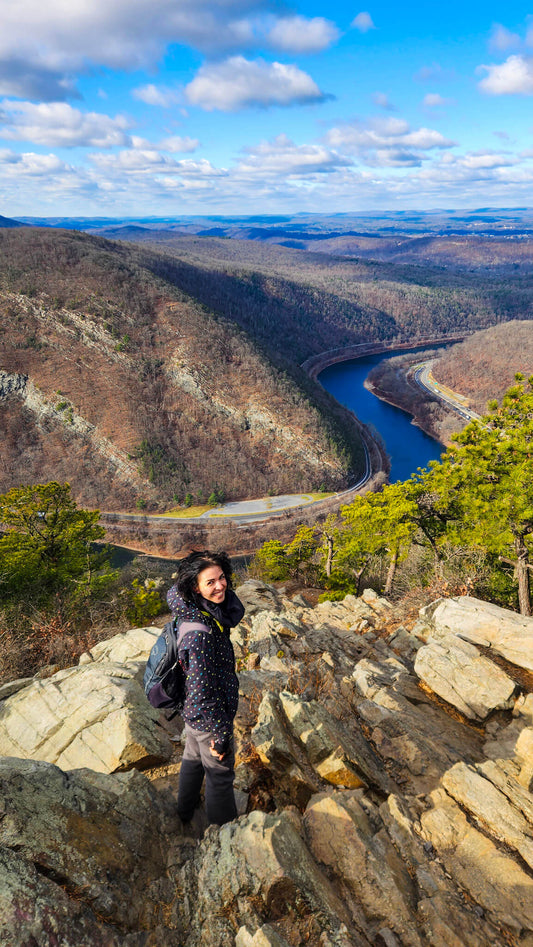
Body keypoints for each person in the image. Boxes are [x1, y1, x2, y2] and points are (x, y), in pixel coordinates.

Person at [166, 549, 245, 826]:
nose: (220, 586)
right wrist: (221, 735)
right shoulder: (200, 634)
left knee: (193, 757)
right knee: (219, 775)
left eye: (222, 577)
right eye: (210, 582)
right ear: (195, 587)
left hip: (192, 713)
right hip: (208, 715)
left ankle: (184, 812)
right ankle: (224, 836)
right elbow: (203, 693)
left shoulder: (195, 609)